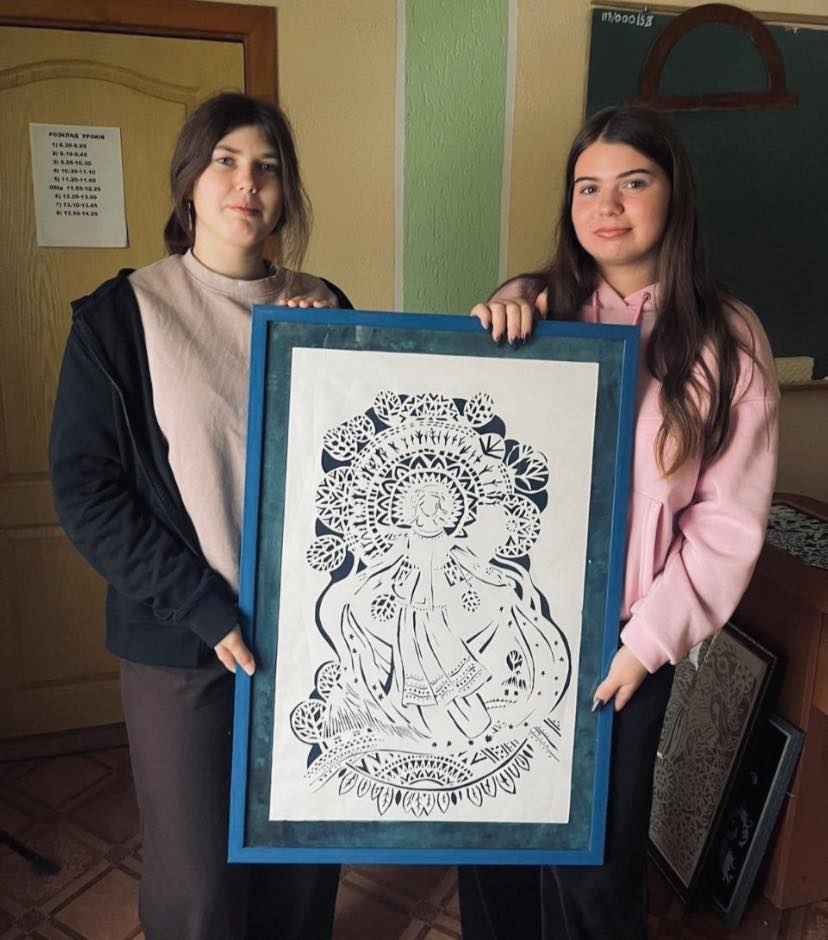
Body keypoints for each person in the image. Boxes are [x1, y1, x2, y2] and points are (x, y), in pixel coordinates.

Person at [459, 106, 779, 939]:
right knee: (491, 838)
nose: (608, 206)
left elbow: (725, 525)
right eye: (587, 187)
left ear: (674, 194)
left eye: (633, 183)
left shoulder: (727, 340)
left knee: (595, 867)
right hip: (501, 626)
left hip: (624, 643)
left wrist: (647, 644)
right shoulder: (533, 310)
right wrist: (491, 325)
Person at [49, 92, 350, 940]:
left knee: (301, 860)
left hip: (314, 639)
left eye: (267, 168)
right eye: (225, 161)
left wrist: (336, 350)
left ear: (285, 195)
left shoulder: (325, 304)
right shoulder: (122, 315)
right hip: (184, 641)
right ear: (190, 180)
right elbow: (86, 489)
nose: (246, 183)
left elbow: (359, 461)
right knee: (199, 890)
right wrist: (202, 605)